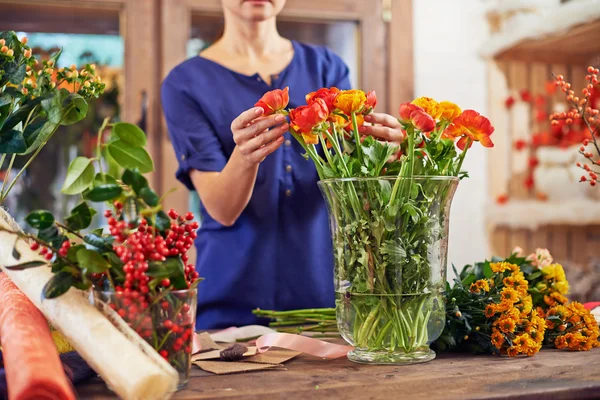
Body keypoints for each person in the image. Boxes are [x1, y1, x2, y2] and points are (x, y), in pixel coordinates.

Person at [161, 0, 405, 329]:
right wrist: (244, 156)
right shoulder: (185, 83)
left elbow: (357, 192)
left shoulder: (327, 67)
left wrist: (388, 154)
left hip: (325, 298)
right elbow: (222, 208)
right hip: (230, 305)